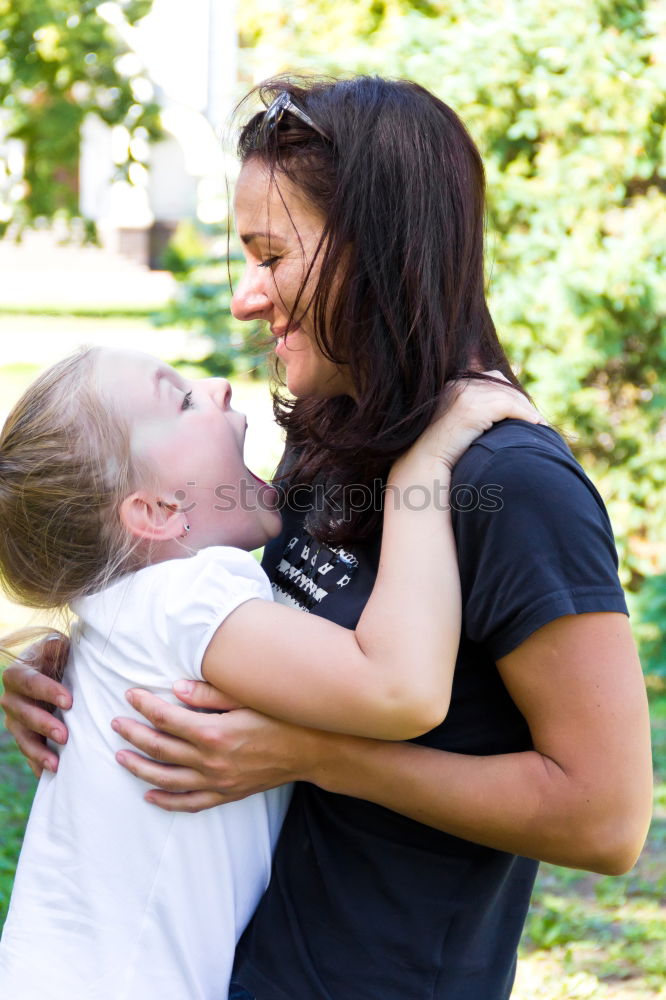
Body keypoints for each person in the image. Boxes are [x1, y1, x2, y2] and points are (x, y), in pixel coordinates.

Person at [1, 77, 652, 1000]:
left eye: (273, 255)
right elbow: (219, 599)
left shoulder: (513, 485)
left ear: (378, 251)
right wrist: (89, 660)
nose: (246, 299)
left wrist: (318, 757)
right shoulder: (326, 429)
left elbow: (607, 820)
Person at [0, 345, 539, 999]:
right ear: (159, 510)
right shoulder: (188, 597)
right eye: (183, 399)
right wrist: (421, 471)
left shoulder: (127, 609)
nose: (221, 387)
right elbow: (402, 691)